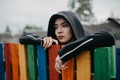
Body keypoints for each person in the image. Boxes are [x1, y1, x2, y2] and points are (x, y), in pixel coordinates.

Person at [19, 11, 115, 74]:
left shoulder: (86, 45)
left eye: (64, 25)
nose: (59, 31)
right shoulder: (51, 49)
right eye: (56, 27)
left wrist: (64, 53)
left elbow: (109, 37)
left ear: (74, 27)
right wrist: (42, 40)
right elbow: (23, 38)